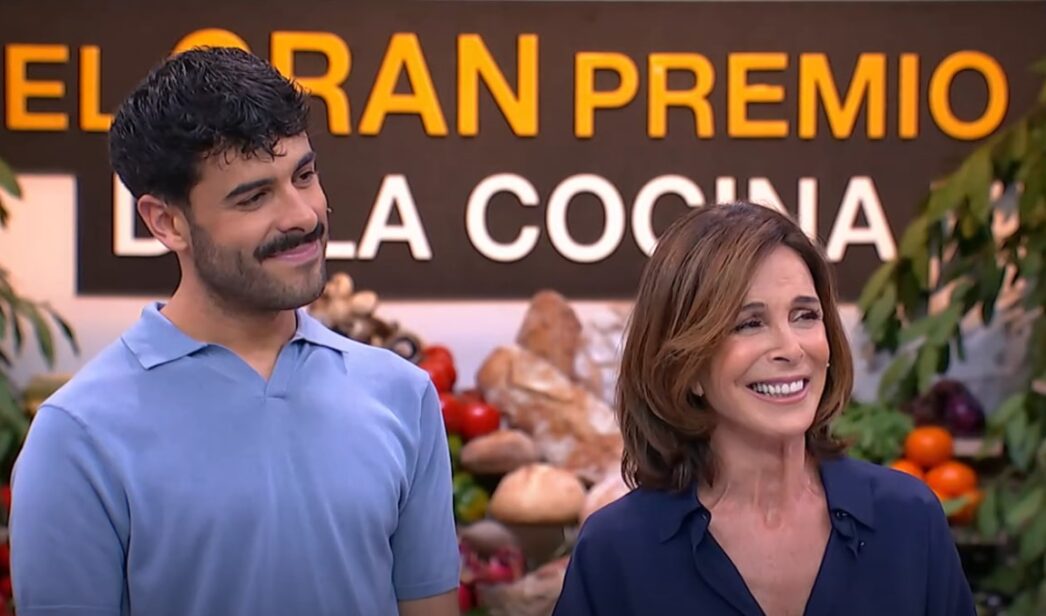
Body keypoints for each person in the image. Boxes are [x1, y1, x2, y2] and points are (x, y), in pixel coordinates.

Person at [9, 47, 460, 616]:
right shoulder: (77, 435)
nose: (301, 215)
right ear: (166, 222)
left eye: (304, 175)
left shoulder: (403, 394)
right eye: (254, 196)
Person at [552, 202, 975, 615]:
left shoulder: (908, 520)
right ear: (686, 364)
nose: (791, 349)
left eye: (805, 315)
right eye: (749, 323)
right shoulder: (617, 551)